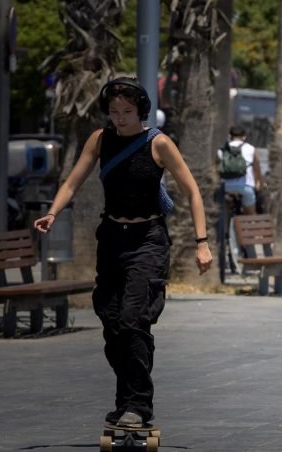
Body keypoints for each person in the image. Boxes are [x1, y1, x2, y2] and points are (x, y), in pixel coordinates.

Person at [33, 77, 213, 427]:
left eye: (127, 111)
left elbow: (192, 191)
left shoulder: (159, 143)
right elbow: (73, 181)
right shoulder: (100, 140)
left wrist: (201, 243)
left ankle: (137, 405)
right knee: (112, 321)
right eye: (114, 111)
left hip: (148, 239)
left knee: (134, 319)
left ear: (140, 110)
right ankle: (127, 399)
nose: (120, 118)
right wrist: (53, 213)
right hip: (112, 237)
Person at [216, 125, 263, 215]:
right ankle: (250, 221)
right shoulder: (250, 149)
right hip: (246, 187)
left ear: (230, 136)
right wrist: (259, 183)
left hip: (226, 187)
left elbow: (217, 168)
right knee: (250, 215)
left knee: (221, 211)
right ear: (244, 137)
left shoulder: (222, 150)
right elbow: (257, 169)